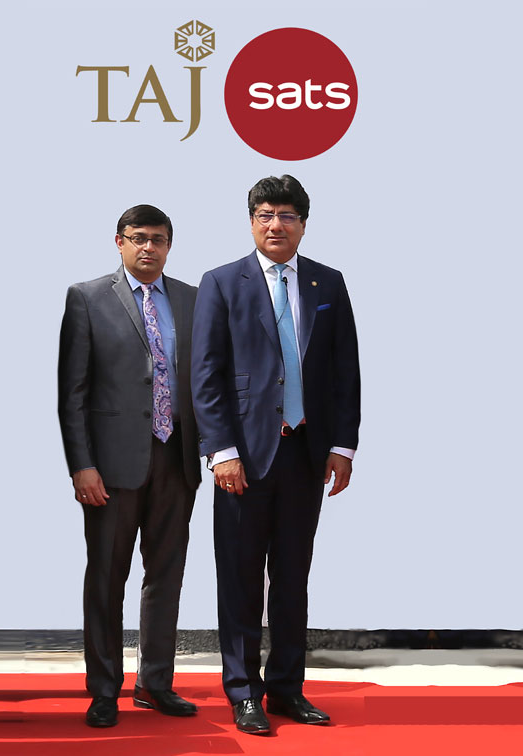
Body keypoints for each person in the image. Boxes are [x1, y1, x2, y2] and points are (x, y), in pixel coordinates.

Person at [191, 175, 360, 735]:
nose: (276, 225)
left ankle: (287, 688)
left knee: (292, 578)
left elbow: (344, 370)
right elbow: (206, 375)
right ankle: (244, 692)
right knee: (240, 579)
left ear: (303, 224)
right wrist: (220, 451)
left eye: (287, 215)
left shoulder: (327, 282)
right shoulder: (221, 283)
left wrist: (342, 445)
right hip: (242, 457)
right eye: (265, 214)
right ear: (251, 222)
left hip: (305, 454)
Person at [58, 204, 201, 728]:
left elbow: (206, 377)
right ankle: (103, 690)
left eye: (158, 239)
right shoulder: (87, 298)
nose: (148, 247)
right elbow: (72, 393)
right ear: (119, 242)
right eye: (138, 238)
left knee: (165, 574)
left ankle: (155, 683)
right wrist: (82, 465)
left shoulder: (192, 299)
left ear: (169, 246)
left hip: (177, 457)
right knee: (106, 577)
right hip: (112, 466)